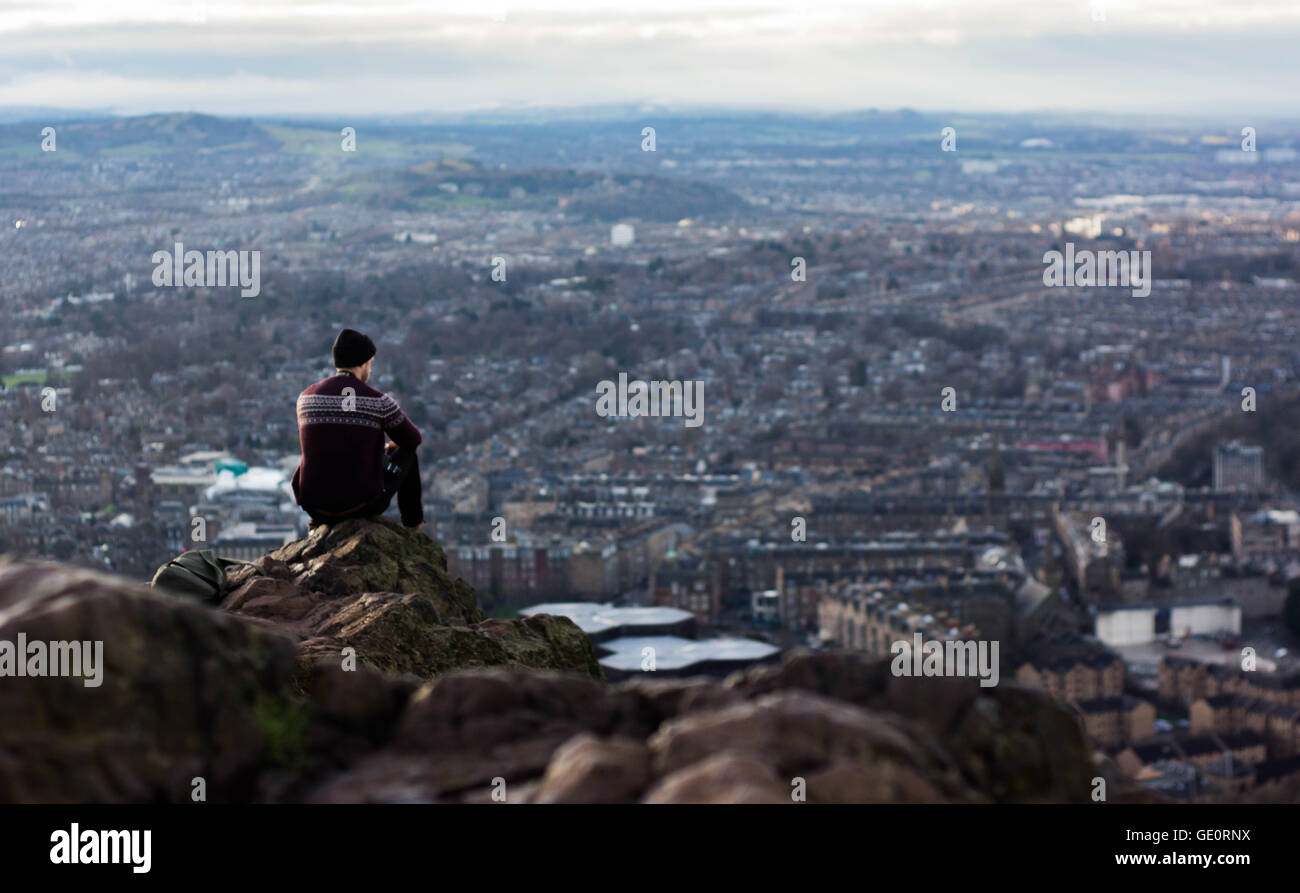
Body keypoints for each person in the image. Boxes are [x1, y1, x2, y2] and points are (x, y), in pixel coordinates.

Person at [291, 328, 425, 531]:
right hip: (360, 505)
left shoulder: (306, 398)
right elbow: (413, 439)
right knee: (408, 454)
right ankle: (413, 524)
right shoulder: (378, 401)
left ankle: (319, 522)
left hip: (313, 505)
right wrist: (388, 448)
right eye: (370, 363)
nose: (370, 369)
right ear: (363, 362)